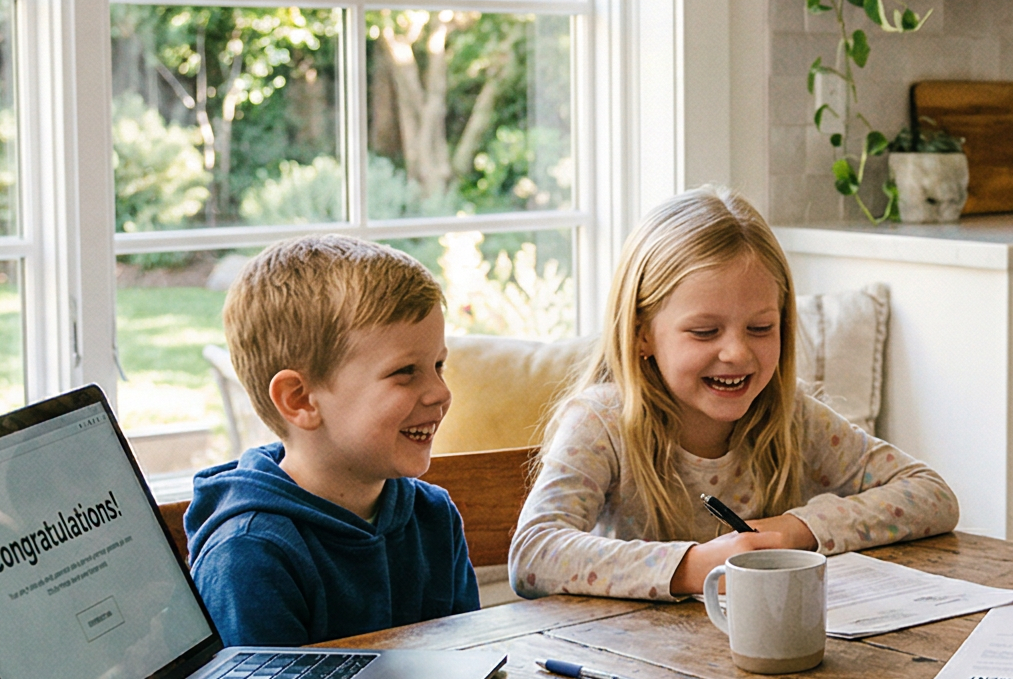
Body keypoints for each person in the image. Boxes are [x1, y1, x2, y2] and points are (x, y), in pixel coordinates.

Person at [511, 187, 957, 599]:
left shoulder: (790, 414)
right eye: (705, 331)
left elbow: (931, 494)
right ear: (641, 334)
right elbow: (533, 554)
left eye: (761, 328)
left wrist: (795, 529)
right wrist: (694, 566)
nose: (737, 352)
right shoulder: (602, 423)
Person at [186, 235, 479, 648]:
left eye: (438, 365)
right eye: (406, 371)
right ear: (301, 399)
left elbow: (470, 662)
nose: (440, 393)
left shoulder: (433, 517)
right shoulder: (250, 556)